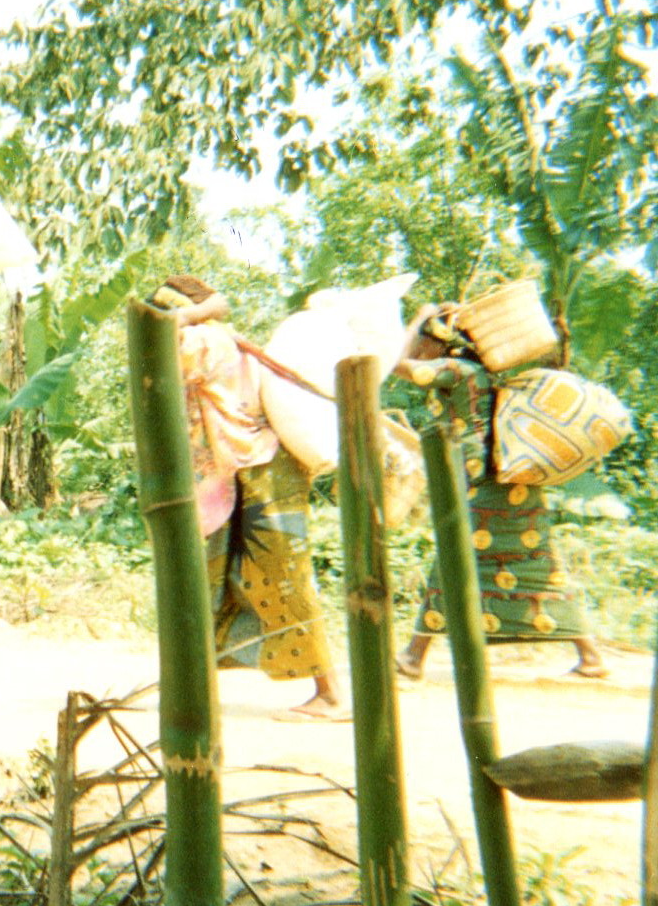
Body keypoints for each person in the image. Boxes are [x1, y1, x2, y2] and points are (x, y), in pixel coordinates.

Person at [150, 274, 346, 720]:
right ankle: (195, 689)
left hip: (262, 467)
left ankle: (331, 693)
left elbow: (160, 346)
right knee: (217, 574)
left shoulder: (201, 340)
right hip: (240, 469)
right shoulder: (213, 337)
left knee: (282, 574)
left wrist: (197, 313)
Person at [391, 304, 608, 678]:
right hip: (501, 485)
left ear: (438, 343)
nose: (418, 348)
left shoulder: (458, 370)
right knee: (534, 560)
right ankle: (590, 655)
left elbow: (400, 364)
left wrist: (416, 320)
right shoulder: (470, 373)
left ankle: (414, 656)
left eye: (424, 341)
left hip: (487, 484)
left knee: (453, 555)